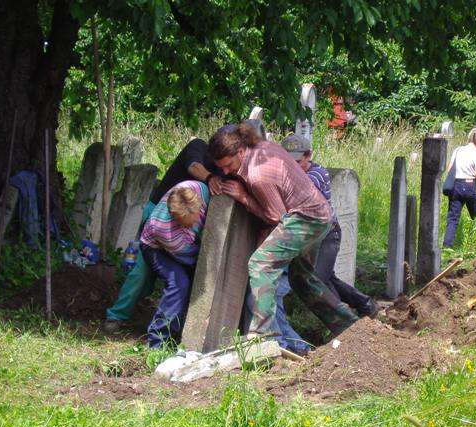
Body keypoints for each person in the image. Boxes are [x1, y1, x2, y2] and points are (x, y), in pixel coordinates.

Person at [208, 122, 359, 340]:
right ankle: (351, 326)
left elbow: (276, 217)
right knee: (302, 279)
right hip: (320, 216)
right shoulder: (261, 147)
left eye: (228, 165)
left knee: (260, 264)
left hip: (306, 219)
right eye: (221, 168)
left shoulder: (259, 175)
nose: (225, 171)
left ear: (240, 151)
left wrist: (243, 197)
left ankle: (262, 334)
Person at [103, 139, 220, 333]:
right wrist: (210, 178)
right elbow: (193, 166)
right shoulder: (198, 147)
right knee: (141, 273)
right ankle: (116, 316)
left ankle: (169, 319)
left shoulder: (223, 170)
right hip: (158, 215)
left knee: (175, 277)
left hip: (188, 222)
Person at [281, 134, 378, 318]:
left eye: (297, 162)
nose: (293, 166)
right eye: (288, 161)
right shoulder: (290, 174)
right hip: (309, 237)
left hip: (327, 236)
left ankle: (346, 320)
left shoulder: (317, 174)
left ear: (309, 156)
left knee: (318, 279)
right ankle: (365, 305)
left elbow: (298, 192)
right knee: (327, 277)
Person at [139, 180, 210, 348]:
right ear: (175, 218)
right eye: (188, 223)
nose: (194, 223)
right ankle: (158, 341)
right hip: (155, 248)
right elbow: (192, 260)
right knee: (179, 284)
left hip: (183, 246)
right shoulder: (165, 231)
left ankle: (178, 330)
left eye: (195, 217)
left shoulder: (196, 189)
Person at [442, 127, 476, 248]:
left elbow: (449, 169)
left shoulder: (458, 150)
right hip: (469, 185)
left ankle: (447, 248)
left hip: (455, 185)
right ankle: (475, 245)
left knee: (452, 219)